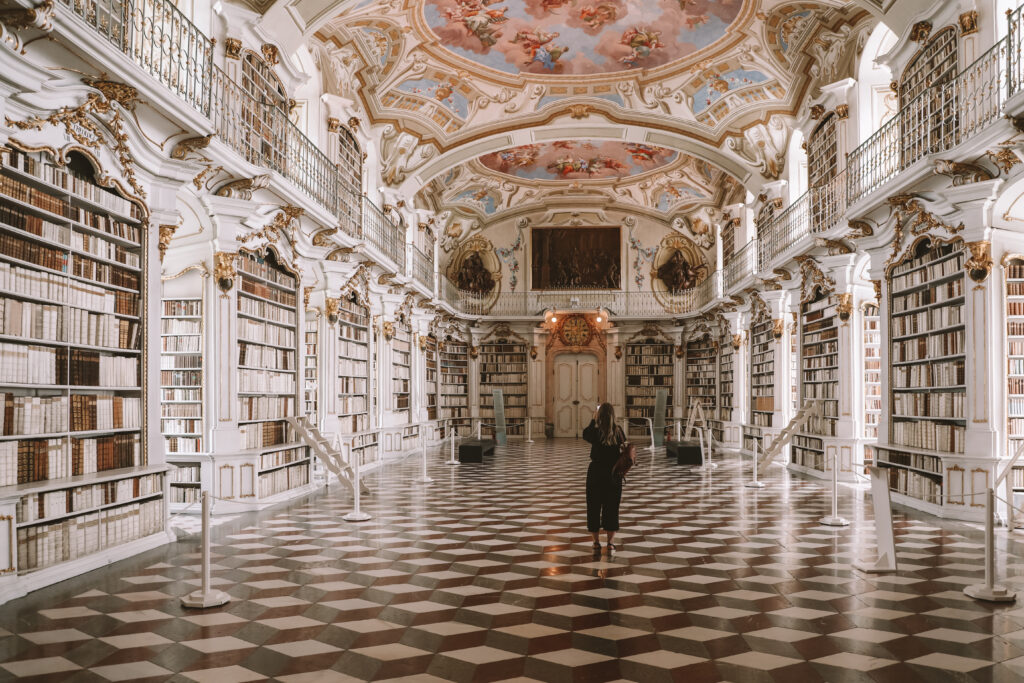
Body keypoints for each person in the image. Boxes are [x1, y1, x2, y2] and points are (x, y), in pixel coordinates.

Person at [582, 403, 627, 554]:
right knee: (612, 508)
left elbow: (585, 434)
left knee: (593, 507)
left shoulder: (595, 431)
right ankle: (610, 544)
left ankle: (596, 543)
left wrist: (593, 420)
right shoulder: (618, 431)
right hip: (613, 474)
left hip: (595, 473)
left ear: (599, 415)